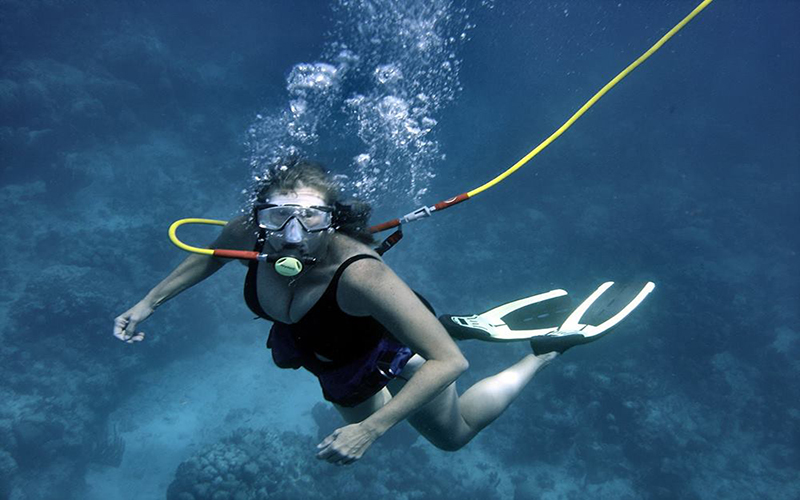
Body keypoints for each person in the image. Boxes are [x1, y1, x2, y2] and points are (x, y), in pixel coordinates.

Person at [114, 158, 647, 466]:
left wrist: (372, 431)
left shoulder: (362, 273)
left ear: (332, 219)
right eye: (278, 217)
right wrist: (146, 303)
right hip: (332, 356)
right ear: (259, 217)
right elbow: (203, 261)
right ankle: (446, 329)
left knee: (452, 437)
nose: (292, 236)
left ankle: (540, 354)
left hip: (390, 345)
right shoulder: (248, 233)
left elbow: (450, 365)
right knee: (374, 411)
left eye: (311, 218)